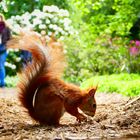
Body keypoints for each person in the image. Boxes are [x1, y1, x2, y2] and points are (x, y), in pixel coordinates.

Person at [0, 14, 11, 87]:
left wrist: (8, 47)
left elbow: (10, 39)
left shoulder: (6, 28)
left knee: (1, 65)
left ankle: (2, 83)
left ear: (1, 18)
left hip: (3, 48)